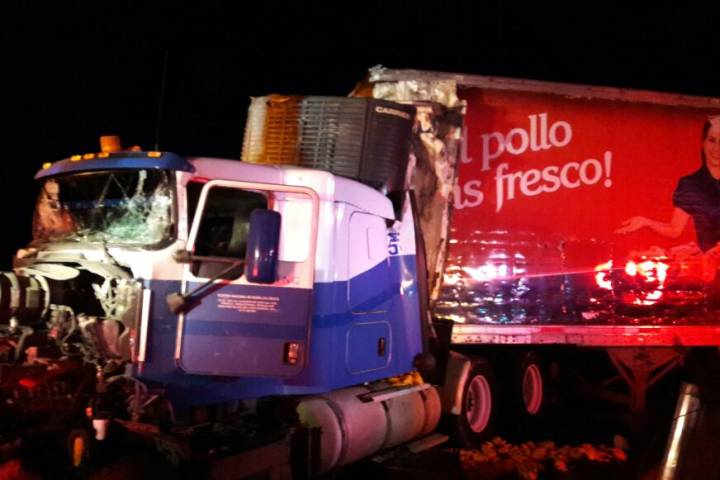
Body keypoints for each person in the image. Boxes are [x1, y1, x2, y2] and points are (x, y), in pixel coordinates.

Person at [616, 115, 720, 254]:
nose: (716, 148)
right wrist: (646, 222)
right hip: (709, 264)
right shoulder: (690, 184)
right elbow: (674, 230)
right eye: (712, 140)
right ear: (703, 143)